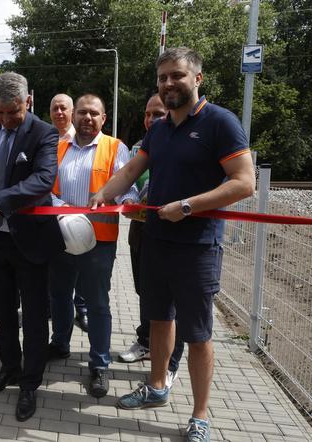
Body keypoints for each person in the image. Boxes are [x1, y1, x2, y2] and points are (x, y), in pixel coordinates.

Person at [89, 47, 255, 441]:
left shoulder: (220, 123)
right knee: (160, 321)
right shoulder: (159, 129)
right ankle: (158, 386)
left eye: (176, 76)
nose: (168, 84)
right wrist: (103, 195)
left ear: (197, 78)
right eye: (162, 78)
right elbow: (132, 168)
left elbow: (244, 182)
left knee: (197, 334)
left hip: (197, 247)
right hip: (156, 241)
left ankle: (199, 415)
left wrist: (187, 206)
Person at [0, 72, 65, 422]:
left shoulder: (44, 133)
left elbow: (42, 181)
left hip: (31, 241)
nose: (5, 120)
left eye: (13, 112)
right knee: (3, 311)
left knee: (34, 317)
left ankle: (30, 382)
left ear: (28, 101)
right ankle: (9, 368)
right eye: (0, 112)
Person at [47, 94, 138, 398]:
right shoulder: (57, 147)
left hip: (98, 242)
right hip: (60, 237)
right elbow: (46, 188)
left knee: (97, 303)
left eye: (93, 113)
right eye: (82, 112)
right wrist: (60, 208)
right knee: (59, 295)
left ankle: (99, 363)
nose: (87, 118)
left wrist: (129, 204)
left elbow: (127, 186)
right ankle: (60, 344)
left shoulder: (116, 148)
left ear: (103, 119)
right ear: (74, 116)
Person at [119, 94, 185, 391]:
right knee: (146, 293)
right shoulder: (139, 146)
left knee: (173, 305)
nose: (150, 120)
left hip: (176, 235)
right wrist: (131, 197)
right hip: (142, 232)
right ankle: (146, 341)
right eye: (147, 114)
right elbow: (129, 179)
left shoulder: (182, 143)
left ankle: (171, 363)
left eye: (156, 114)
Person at [49, 93, 88, 332]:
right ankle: (58, 321)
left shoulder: (81, 139)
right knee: (57, 279)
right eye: (55, 109)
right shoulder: (46, 138)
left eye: (64, 108)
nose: (59, 113)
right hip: (53, 220)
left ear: (72, 112)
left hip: (85, 223)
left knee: (83, 275)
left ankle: (81, 310)